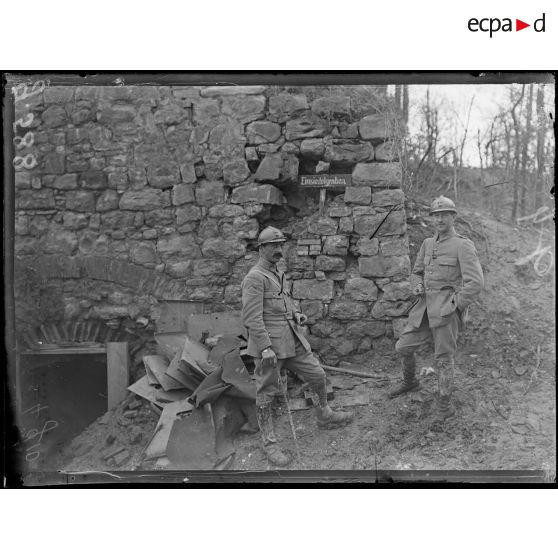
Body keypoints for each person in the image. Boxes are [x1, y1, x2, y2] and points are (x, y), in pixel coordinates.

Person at [241, 226, 354, 466]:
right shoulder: (254, 277)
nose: (279, 250)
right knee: (267, 394)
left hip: (291, 339)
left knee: (317, 374)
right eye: (274, 246)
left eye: (281, 245)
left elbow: (284, 301)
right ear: (262, 248)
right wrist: (264, 348)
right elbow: (251, 318)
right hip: (269, 346)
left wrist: (296, 313)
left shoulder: (277, 272)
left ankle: (324, 414)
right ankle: (270, 444)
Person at [390, 196, 484, 424]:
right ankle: (410, 381)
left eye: (444, 214)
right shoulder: (427, 244)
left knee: (443, 359)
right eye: (436, 215)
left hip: (446, 310)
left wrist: (454, 306)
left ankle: (445, 405)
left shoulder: (463, 245)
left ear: (453, 217)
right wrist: (417, 285)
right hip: (423, 308)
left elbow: (475, 283)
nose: (439, 219)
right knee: (403, 346)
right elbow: (416, 272)